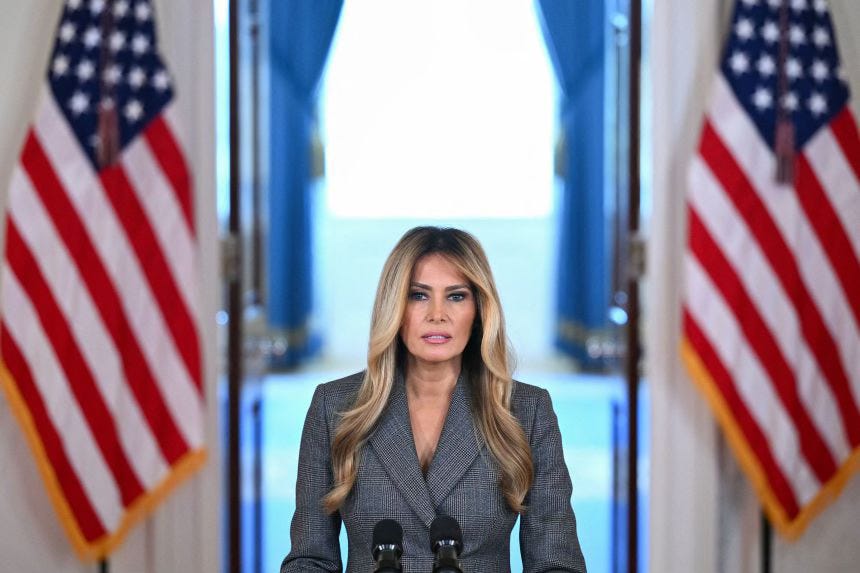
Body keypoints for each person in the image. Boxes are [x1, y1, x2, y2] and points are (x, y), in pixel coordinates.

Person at [281, 226, 586, 572]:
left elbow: (557, 563)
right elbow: (310, 559)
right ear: (394, 306)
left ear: (479, 309)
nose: (437, 314)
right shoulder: (334, 407)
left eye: (456, 296)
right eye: (418, 295)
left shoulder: (527, 411)